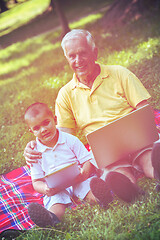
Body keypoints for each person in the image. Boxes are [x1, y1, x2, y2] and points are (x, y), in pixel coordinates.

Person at [24, 29, 160, 204]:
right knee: (115, 173)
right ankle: (131, 191)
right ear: (67, 59)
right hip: (108, 154)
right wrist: (35, 145)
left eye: (83, 53)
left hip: (137, 140)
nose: (78, 61)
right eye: (72, 56)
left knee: (149, 158)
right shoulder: (65, 94)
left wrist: (147, 131)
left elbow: (144, 109)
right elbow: (62, 137)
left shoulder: (119, 73)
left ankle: (156, 172)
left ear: (94, 52)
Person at [24, 102, 113, 228]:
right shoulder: (34, 152)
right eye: (37, 128)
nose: (43, 130)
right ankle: (51, 219)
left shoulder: (70, 140)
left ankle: (102, 199)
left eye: (46, 123)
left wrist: (84, 174)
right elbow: (36, 182)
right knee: (56, 202)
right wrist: (46, 189)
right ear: (32, 131)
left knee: (87, 188)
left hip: (77, 179)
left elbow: (87, 160)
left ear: (55, 120)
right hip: (56, 187)